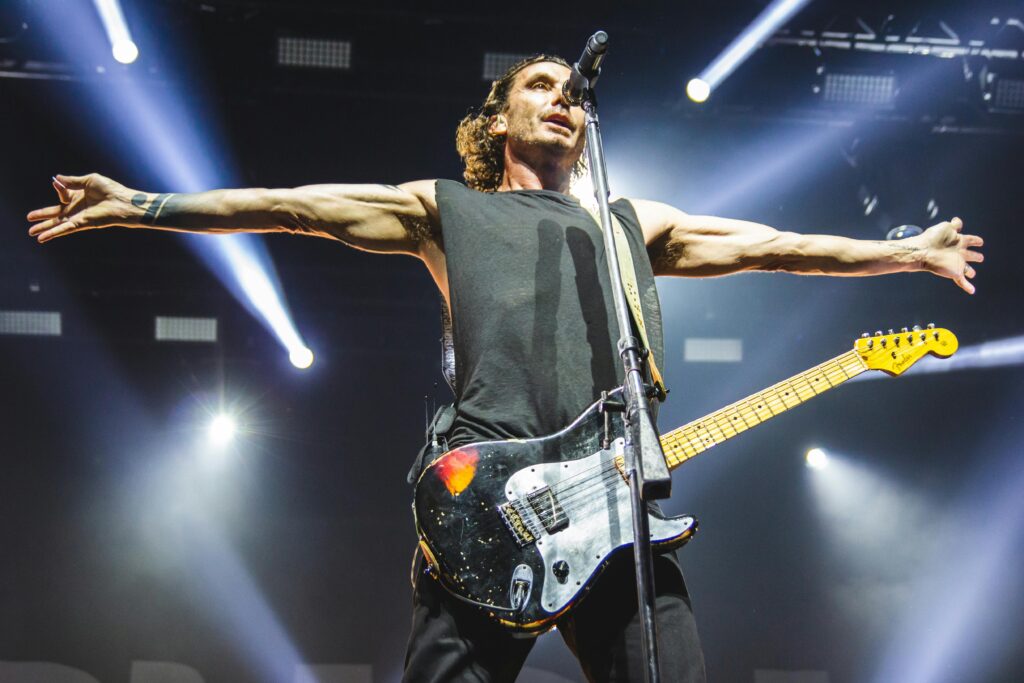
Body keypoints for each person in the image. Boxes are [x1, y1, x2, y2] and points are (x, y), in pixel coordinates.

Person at [27, 54, 983, 682]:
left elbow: (774, 247)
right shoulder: (449, 210)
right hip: (489, 504)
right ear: (497, 121)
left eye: (575, 91)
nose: (565, 96)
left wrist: (904, 252)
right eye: (541, 83)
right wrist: (141, 205)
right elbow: (295, 207)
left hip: (621, 524)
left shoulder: (629, 224)